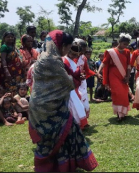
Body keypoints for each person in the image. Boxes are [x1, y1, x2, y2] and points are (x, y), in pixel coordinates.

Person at [28, 30, 98, 172]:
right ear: (61, 45)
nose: (68, 50)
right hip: (50, 108)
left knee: (63, 134)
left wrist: (75, 75)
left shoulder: (45, 56)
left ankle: (63, 166)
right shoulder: (52, 60)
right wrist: (75, 77)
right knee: (53, 138)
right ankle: (50, 167)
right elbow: (67, 82)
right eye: (68, 47)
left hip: (43, 105)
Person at [102, 33, 132, 121]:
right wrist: (99, 72)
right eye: (124, 44)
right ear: (119, 42)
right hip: (113, 75)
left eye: (127, 45)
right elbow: (104, 63)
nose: (125, 46)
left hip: (123, 75)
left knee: (123, 94)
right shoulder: (111, 52)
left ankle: (123, 112)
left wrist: (128, 76)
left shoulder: (127, 52)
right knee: (117, 93)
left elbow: (129, 65)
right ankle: (119, 114)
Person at [62, 41, 88, 129]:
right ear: (68, 51)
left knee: (77, 105)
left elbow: (76, 73)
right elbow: (69, 74)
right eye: (72, 54)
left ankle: (77, 124)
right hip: (66, 87)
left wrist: (80, 76)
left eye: (76, 55)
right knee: (72, 106)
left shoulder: (72, 61)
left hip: (74, 86)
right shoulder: (64, 60)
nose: (74, 57)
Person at [74, 39, 96, 118]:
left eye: (84, 51)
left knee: (84, 101)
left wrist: (96, 74)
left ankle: (83, 120)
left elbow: (87, 70)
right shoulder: (70, 58)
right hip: (73, 83)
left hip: (82, 83)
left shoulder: (83, 58)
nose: (82, 53)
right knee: (76, 102)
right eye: (81, 50)